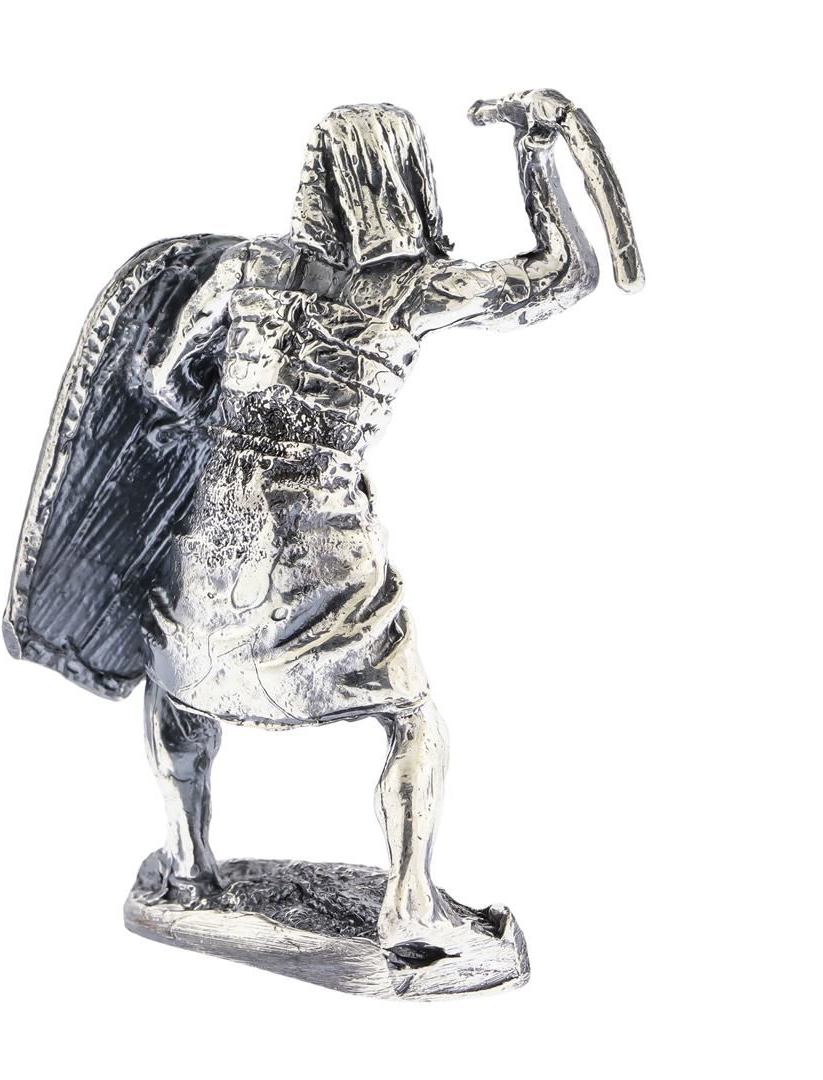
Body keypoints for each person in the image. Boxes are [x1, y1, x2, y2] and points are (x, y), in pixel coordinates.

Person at [130, 92, 605, 959]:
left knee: (177, 681)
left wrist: (228, 412)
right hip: (320, 537)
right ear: (405, 176)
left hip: (215, 527)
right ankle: (409, 903)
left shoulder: (247, 267)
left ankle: (189, 865)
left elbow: (162, 376)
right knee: (411, 717)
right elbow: (565, 274)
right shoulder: (415, 291)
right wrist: (535, 157)